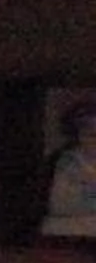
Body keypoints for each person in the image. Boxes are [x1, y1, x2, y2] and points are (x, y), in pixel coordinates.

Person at [43, 97, 96, 239]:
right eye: (91, 135)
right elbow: (59, 205)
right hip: (71, 229)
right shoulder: (68, 163)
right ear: (78, 136)